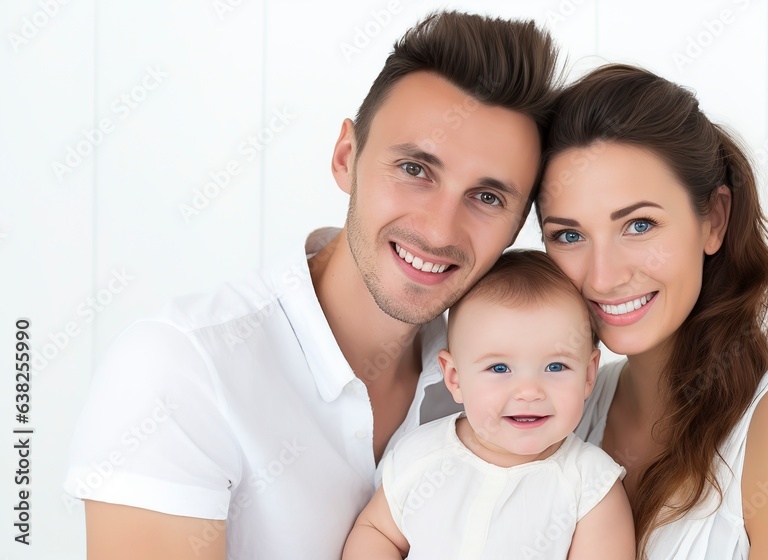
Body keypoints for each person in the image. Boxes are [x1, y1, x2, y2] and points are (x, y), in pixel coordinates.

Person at [62, 11, 560, 560]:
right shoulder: (183, 366)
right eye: (416, 169)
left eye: (487, 198)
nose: (441, 229)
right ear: (346, 158)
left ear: (517, 229)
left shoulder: (513, 384)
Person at [536, 64, 768, 559]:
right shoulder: (558, 410)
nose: (603, 277)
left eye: (639, 225)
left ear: (713, 221)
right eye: (568, 236)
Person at [342, 250, 635, 560]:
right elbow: (377, 531)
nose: (529, 392)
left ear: (588, 375)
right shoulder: (420, 455)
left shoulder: (591, 487)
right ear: (455, 378)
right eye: (499, 369)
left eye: (555, 367)